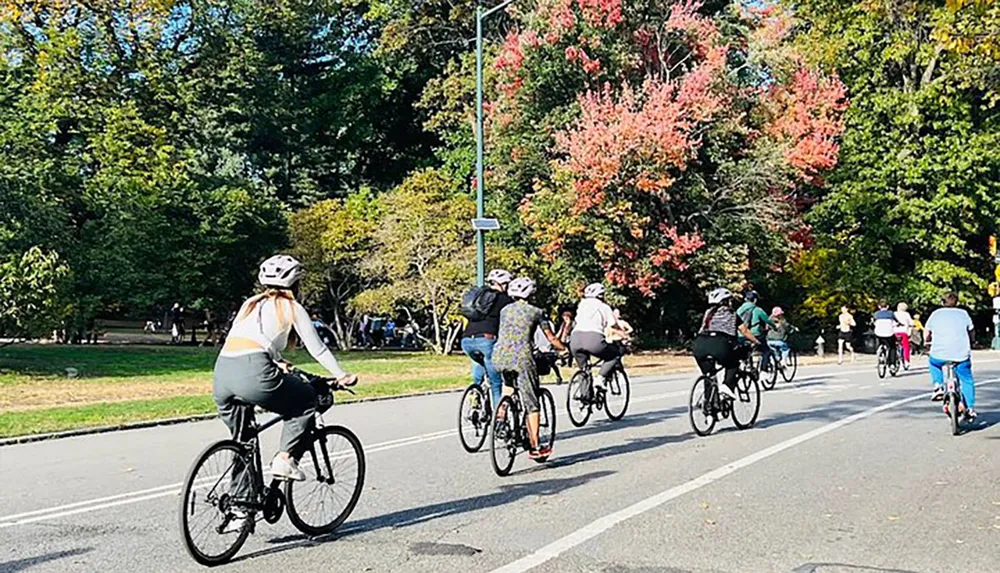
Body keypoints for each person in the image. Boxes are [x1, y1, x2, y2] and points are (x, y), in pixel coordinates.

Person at [213, 254, 357, 496]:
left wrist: (278, 361)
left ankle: (241, 506)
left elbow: (248, 338)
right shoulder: (291, 307)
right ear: (295, 283)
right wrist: (341, 374)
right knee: (307, 399)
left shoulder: (249, 303)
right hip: (255, 371)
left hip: (223, 372)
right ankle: (285, 458)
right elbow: (317, 348)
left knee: (244, 441)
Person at [492, 277, 568, 460]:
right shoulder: (537, 312)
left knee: (508, 387)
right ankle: (535, 447)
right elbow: (550, 337)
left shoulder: (504, 310)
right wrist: (563, 350)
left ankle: (500, 418)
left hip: (499, 355)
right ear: (531, 294)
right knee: (532, 404)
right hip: (522, 358)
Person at [693, 288, 763, 399]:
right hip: (720, 344)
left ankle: (710, 408)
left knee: (709, 375)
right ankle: (727, 385)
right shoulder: (731, 313)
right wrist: (756, 341)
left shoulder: (708, 313)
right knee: (733, 363)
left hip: (700, 345)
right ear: (725, 301)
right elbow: (744, 330)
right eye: (729, 300)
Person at [460, 269, 513, 408]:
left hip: (466, 340)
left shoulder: (479, 296)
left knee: (479, 362)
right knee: (496, 384)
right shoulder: (504, 299)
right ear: (503, 284)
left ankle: (475, 393)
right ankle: (499, 420)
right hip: (487, 339)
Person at [925, 292, 976, 419]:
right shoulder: (963, 314)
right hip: (961, 355)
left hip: (939, 354)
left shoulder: (935, 314)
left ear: (942, 303)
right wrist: (972, 341)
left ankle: (938, 385)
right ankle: (969, 408)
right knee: (966, 379)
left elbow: (927, 331)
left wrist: (926, 341)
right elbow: (971, 330)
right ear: (957, 303)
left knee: (933, 363)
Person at [570, 283, 628, 394]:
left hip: (575, 338)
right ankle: (600, 378)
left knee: (584, 369)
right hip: (593, 339)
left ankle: (585, 400)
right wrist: (625, 335)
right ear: (600, 295)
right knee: (614, 355)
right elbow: (613, 325)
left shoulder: (581, 305)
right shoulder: (603, 307)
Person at [736, 291, 776, 366]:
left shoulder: (739, 310)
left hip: (741, 335)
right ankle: (764, 371)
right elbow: (767, 320)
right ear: (755, 300)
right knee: (766, 351)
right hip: (755, 334)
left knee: (745, 350)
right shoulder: (757, 310)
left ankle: (747, 365)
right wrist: (774, 327)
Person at [533, 313, 564, 384]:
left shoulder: (535, 325)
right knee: (552, 364)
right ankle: (558, 376)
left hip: (539, 349)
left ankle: (536, 379)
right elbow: (552, 335)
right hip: (548, 348)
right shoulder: (550, 324)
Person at [872, 300, 898, 367]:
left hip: (878, 333)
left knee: (879, 340)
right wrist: (900, 324)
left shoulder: (876, 314)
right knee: (892, 347)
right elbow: (896, 321)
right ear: (888, 306)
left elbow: (873, 321)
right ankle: (892, 363)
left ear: (879, 306)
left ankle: (879, 351)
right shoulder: (891, 313)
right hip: (889, 333)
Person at [894, 302, 914, 368]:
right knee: (906, 346)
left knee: (892, 346)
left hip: (894, 332)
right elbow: (911, 323)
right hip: (903, 332)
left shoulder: (894, 314)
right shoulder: (906, 314)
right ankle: (906, 361)